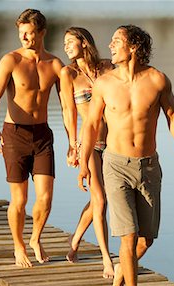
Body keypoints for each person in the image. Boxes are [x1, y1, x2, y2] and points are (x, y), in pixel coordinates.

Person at [77, 25, 174, 286]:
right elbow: (90, 125)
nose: (110, 46)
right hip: (116, 164)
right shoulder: (104, 83)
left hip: (149, 166)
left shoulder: (157, 80)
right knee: (128, 237)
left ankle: (121, 274)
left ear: (133, 47)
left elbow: (172, 116)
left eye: (116, 41)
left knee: (146, 239)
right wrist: (85, 163)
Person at [0, 9, 65, 268]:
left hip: (42, 135)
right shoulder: (10, 60)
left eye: (30, 32)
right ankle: (18, 245)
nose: (25, 37)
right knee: (19, 200)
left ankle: (35, 238)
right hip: (15, 134)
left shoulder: (55, 65)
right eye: (21, 33)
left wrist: (75, 142)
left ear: (42, 32)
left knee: (45, 198)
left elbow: (68, 106)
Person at [59, 26, 114, 278]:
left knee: (99, 199)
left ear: (84, 42)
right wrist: (72, 145)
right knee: (100, 200)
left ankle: (75, 240)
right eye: (64, 43)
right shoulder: (68, 73)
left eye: (70, 41)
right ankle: (106, 258)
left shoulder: (108, 67)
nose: (66, 46)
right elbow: (68, 112)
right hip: (88, 144)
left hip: (114, 142)